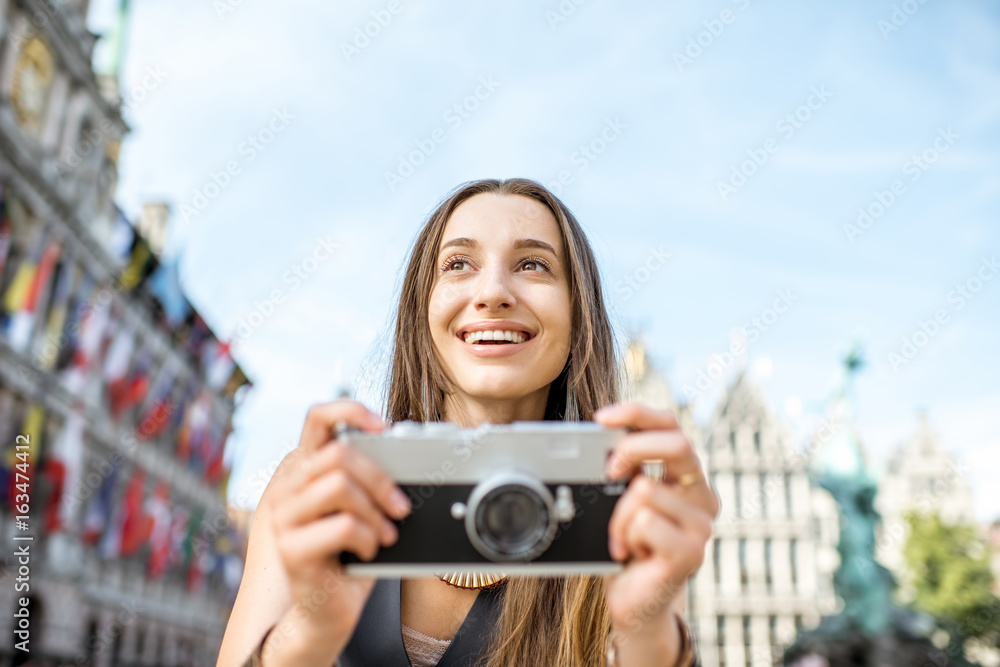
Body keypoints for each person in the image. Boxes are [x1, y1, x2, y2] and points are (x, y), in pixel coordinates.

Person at [217, 178, 719, 667]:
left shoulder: (624, 512)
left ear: (577, 313)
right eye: (458, 264)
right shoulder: (317, 488)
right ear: (422, 309)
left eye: (533, 264)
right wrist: (308, 634)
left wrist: (649, 636)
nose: (493, 291)